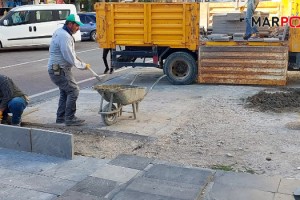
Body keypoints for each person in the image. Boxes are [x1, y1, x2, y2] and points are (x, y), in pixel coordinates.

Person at [47, 14, 89, 126]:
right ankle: (70, 118)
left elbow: (69, 53)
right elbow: (68, 56)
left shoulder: (59, 32)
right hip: (60, 68)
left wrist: (77, 59)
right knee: (73, 90)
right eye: (76, 25)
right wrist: (82, 66)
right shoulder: (65, 36)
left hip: (55, 67)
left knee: (65, 91)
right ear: (70, 24)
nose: (78, 28)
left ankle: (61, 117)